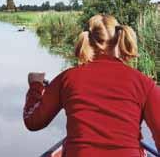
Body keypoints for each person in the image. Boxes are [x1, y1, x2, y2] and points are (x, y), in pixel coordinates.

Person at [23, 14, 160, 157]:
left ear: (87, 39)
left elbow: (33, 121)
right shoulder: (144, 83)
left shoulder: (67, 79)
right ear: (119, 38)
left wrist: (35, 86)